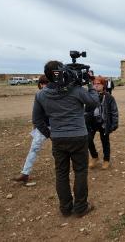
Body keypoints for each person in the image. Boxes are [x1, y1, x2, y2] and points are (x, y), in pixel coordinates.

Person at [32, 61, 99, 217]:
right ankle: (81, 207)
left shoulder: (41, 95)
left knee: (61, 173)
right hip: (78, 136)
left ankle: (65, 207)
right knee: (80, 171)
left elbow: (37, 120)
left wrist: (50, 134)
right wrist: (90, 84)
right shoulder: (76, 90)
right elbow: (93, 102)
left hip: (58, 139)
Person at [13, 75, 50, 183]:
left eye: (46, 83)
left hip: (55, 126)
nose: (44, 86)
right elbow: (36, 115)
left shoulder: (56, 95)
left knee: (60, 150)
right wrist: (42, 129)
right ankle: (25, 173)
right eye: (42, 83)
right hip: (42, 127)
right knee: (34, 148)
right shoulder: (39, 96)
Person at [86, 76, 119, 170]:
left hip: (104, 122)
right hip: (91, 122)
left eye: (98, 84)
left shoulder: (109, 97)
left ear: (103, 85)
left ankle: (106, 160)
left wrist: (114, 124)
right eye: (94, 84)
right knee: (87, 139)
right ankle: (94, 156)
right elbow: (85, 110)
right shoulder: (89, 96)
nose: (96, 86)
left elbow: (114, 111)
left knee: (105, 141)